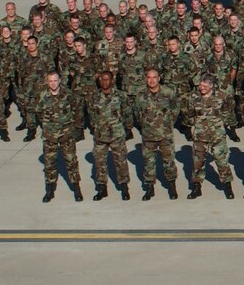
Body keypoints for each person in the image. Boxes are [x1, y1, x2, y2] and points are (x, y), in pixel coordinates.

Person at [38, 71, 82, 203]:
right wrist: (47, 126)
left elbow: (76, 109)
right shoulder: (43, 95)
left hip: (66, 134)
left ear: (60, 81)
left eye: (55, 81)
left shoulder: (68, 94)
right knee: (49, 163)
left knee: (71, 162)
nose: (53, 83)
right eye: (50, 81)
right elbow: (39, 112)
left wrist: (71, 126)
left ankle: (76, 188)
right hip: (49, 135)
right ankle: (49, 189)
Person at [135, 68, 179, 199]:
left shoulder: (168, 92)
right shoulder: (140, 95)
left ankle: (172, 186)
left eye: (154, 77)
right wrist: (144, 124)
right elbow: (137, 114)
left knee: (169, 161)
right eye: (149, 77)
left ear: (159, 78)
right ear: (145, 79)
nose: (152, 80)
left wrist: (169, 122)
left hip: (165, 134)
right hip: (148, 134)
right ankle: (149, 187)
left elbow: (176, 108)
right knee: (148, 162)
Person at [87, 71, 132, 200]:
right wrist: (97, 126)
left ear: (112, 80)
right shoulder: (94, 96)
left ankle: (124, 187)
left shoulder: (120, 95)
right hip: (100, 135)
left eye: (107, 79)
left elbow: (127, 113)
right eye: (102, 79)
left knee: (121, 161)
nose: (104, 82)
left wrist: (127, 128)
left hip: (117, 134)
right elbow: (91, 114)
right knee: (99, 162)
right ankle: (102, 188)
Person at [188, 73, 234, 199]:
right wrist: (198, 125)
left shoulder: (221, 96)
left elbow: (227, 109)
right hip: (200, 135)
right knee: (198, 162)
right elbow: (190, 114)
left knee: (221, 160)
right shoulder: (193, 96)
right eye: (200, 85)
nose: (201, 87)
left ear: (211, 85)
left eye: (204, 85)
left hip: (217, 135)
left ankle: (227, 186)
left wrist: (219, 123)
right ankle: (197, 187)